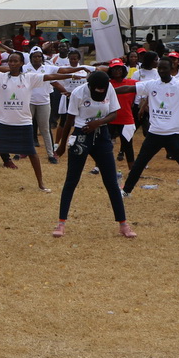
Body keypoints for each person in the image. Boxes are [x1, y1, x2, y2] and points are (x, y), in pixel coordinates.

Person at [0, 52, 81, 195]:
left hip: (24, 123)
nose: (12, 63)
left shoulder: (29, 78)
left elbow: (50, 77)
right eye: (10, 61)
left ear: (22, 63)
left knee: (32, 153)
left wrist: (71, 76)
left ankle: (41, 184)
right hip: (5, 123)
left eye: (15, 61)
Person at [53, 70, 136, 238]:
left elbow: (114, 113)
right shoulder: (78, 93)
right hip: (81, 135)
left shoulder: (109, 88)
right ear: (90, 86)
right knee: (72, 180)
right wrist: (62, 145)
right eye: (97, 90)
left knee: (111, 181)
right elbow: (69, 120)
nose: (101, 92)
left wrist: (98, 122)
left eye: (103, 90)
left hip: (102, 135)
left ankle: (123, 224)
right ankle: (61, 223)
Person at [120, 57, 179, 198]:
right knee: (139, 163)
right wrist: (109, 90)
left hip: (174, 134)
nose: (162, 71)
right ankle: (126, 191)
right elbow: (130, 88)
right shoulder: (152, 84)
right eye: (159, 68)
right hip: (154, 133)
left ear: (171, 68)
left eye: (165, 68)